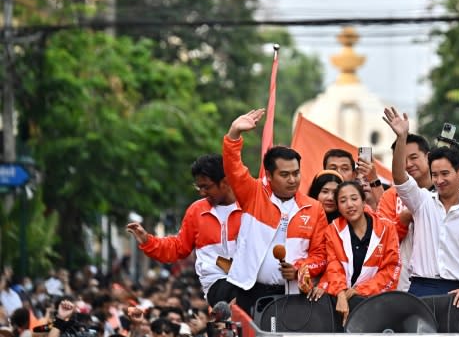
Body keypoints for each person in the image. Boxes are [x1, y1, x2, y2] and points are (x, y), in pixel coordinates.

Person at [383, 106, 459, 305]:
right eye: (435, 175)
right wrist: (401, 138)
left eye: (445, 174)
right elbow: (399, 177)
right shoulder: (422, 202)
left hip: (458, 291)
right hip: (420, 288)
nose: (439, 180)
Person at [222, 109, 328, 311]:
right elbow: (233, 168)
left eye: (296, 173)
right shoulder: (253, 194)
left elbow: (320, 256)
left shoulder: (314, 208)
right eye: (285, 174)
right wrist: (234, 134)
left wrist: (299, 269)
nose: (292, 180)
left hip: (293, 295)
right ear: (269, 176)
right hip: (249, 291)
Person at [126, 154, 242, 307]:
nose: (202, 193)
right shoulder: (196, 211)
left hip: (248, 280)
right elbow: (178, 247)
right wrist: (147, 241)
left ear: (225, 182)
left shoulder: (250, 207)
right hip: (217, 284)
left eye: (206, 187)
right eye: (199, 187)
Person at [309, 181, 400, 323]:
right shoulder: (332, 230)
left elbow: (391, 268)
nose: (349, 205)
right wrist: (340, 294)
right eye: (343, 201)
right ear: (338, 207)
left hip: (375, 303)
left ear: (364, 202)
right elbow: (334, 266)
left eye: (354, 198)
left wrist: (360, 290)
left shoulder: (386, 228)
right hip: (340, 303)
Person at [376, 132, 432, 292]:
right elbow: (381, 239)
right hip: (399, 282)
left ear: (427, 156)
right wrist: (403, 220)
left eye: (414, 157)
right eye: (402, 160)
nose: (408, 164)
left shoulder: (446, 194)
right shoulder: (390, 197)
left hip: (437, 282)